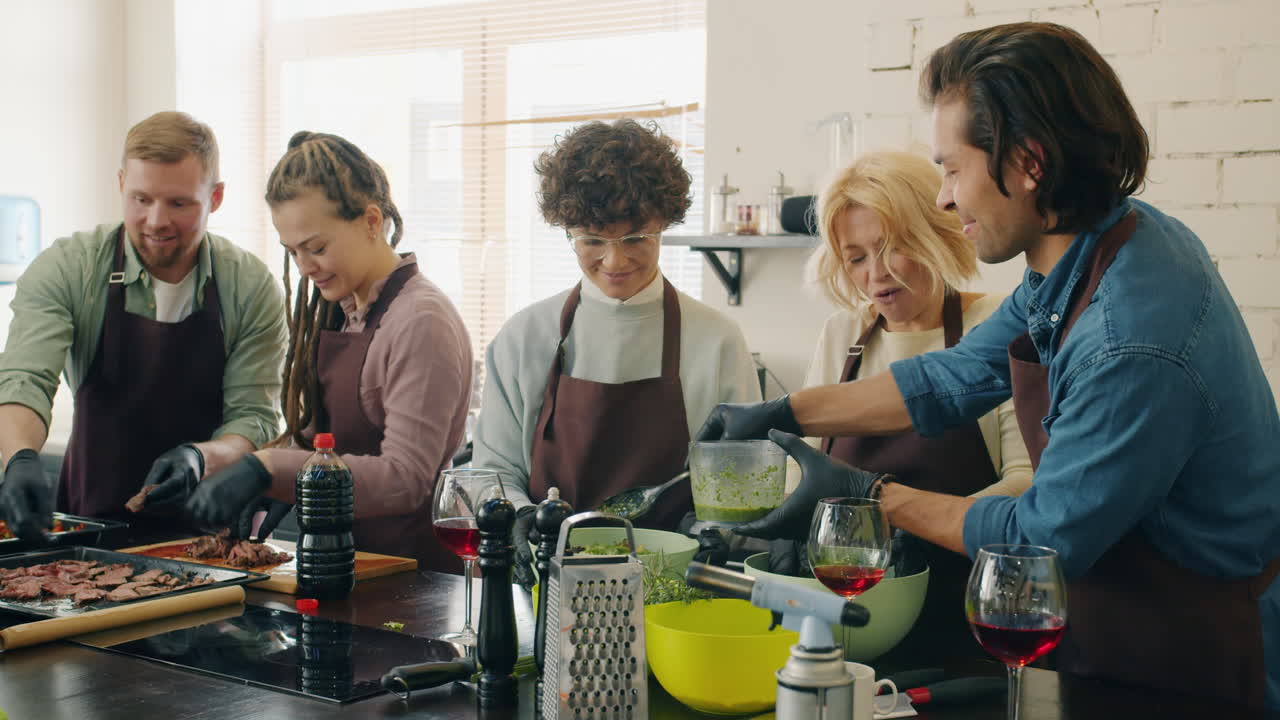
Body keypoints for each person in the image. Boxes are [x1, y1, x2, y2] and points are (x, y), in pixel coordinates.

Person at [698, 22, 1280, 710]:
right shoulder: (1090, 250)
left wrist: (876, 500)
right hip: (1107, 629)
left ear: (1028, 162)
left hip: (1185, 659)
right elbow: (953, 376)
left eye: (951, 168)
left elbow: (1040, 539)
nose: (944, 197)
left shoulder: (1131, 338)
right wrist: (786, 413)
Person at [472, 119, 761, 586]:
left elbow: (742, 482)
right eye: (592, 240)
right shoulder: (525, 337)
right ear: (567, 231)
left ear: (663, 225)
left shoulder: (716, 340)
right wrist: (519, 515)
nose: (614, 261)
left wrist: (714, 530)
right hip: (548, 586)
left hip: (674, 588)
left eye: (635, 239)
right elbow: (493, 469)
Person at [175, 131, 473, 572]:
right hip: (349, 566)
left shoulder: (420, 323)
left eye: (316, 247)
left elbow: (405, 479)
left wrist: (270, 469)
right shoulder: (339, 310)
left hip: (415, 578)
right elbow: (317, 439)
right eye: (293, 252)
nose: (304, 267)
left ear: (372, 222)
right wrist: (263, 479)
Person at [779, 149, 1032, 661]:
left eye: (892, 247)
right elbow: (799, 471)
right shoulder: (843, 335)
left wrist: (919, 521)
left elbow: (1027, 482)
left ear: (935, 234)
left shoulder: (996, 326)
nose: (876, 275)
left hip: (967, 616)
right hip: (849, 616)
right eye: (856, 258)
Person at [0, 111, 287, 542]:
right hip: (88, 526)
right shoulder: (70, 267)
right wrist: (19, 458)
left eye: (178, 203)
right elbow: (24, 378)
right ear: (120, 185)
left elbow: (253, 416)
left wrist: (200, 457)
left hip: (206, 538)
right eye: (141, 199)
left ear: (215, 197)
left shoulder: (248, 285)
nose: (156, 221)